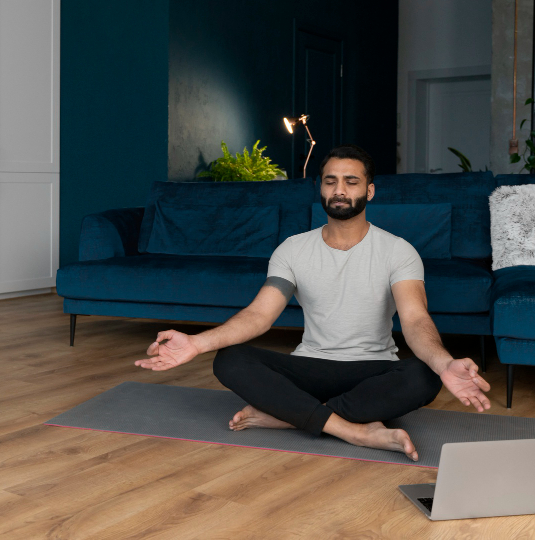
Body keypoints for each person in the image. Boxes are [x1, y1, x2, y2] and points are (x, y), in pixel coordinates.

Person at [134, 144, 491, 461]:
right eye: (330, 181)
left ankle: (287, 416)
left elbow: (414, 319)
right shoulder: (292, 249)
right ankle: (352, 429)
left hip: (372, 370)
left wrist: (445, 364)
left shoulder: (399, 251)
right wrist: (196, 343)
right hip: (310, 368)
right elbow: (260, 314)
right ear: (320, 188)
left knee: (425, 374)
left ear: (370, 191)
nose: (339, 190)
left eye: (351, 182)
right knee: (230, 358)